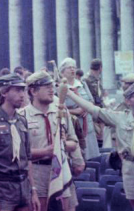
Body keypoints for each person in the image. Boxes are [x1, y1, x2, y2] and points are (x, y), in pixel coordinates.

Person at [64, 82, 134, 209]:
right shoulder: (120, 118)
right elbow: (92, 109)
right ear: (128, 101)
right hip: (130, 166)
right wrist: (70, 94)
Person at [0, 73, 40, 211]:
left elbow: (28, 158)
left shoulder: (22, 120)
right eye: (17, 90)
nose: (22, 95)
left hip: (24, 187)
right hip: (2, 189)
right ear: (4, 92)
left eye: (22, 90)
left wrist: (33, 191)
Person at [22, 71, 78, 211]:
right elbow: (19, 153)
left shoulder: (61, 110)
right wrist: (44, 151)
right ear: (33, 91)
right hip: (37, 172)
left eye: (52, 86)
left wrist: (63, 145)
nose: (51, 90)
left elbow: (74, 142)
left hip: (61, 170)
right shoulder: (22, 116)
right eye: (46, 87)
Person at [59, 57, 99, 160]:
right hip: (73, 126)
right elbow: (57, 106)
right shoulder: (59, 87)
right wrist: (73, 111)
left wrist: (86, 108)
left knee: (91, 157)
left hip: (87, 125)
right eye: (69, 67)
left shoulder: (82, 84)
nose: (72, 70)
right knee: (77, 156)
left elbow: (91, 100)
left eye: (74, 67)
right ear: (62, 71)